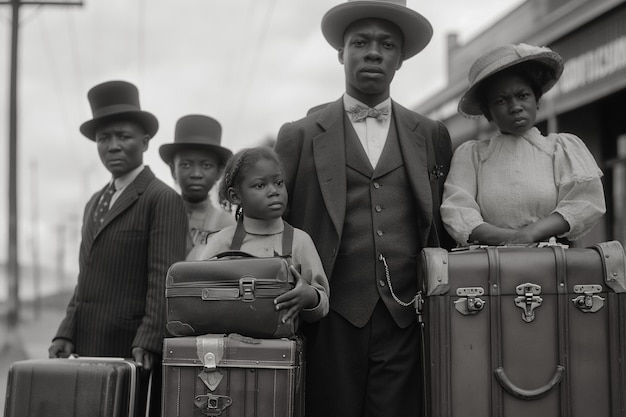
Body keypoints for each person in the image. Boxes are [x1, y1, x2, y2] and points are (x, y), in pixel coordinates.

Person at [273, 1, 454, 416]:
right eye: (360, 42)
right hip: (327, 318)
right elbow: (276, 224)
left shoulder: (430, 134)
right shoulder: (299, 136)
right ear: (341, 53)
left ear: (401, 59)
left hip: (407, 318)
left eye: (387, 44)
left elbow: (445, 225)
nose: (374, 52)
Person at [48, 80, 188, 417]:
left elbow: (163, 277)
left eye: (123, 137)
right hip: (88, 346)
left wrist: (149, 339)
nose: (112, 146)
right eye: (103, 138)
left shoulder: (161, 198)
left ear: (145, 141)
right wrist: (66, 331)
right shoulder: (94, 203)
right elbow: (86, 278)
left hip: (132, 349)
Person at [441, 43, 606, 246]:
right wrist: (512, 240)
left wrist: (533, 233)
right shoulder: (472, 155)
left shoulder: (561, 149)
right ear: (487, 112)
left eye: (523, 95)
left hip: (554, 264)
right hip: (490, 265)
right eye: (501, 101)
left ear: (537, 100)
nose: (515, 107)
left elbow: (586, 202)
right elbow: (457, 210)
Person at [188, 147, 330, 324]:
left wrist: (311, 296)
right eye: (260, 185)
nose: (273, 191)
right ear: (235, 196)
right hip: (229, 346)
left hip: (283, 347)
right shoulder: (221, 242)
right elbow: (195, 294)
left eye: (278, 182)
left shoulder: (300, 241)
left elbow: (323, 302)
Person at [159, 114, 235, 256]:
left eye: (206, 165)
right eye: (186, 164)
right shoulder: (159, 215)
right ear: (172, 170)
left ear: (219, 171)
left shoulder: (226, 224)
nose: (196, 173)